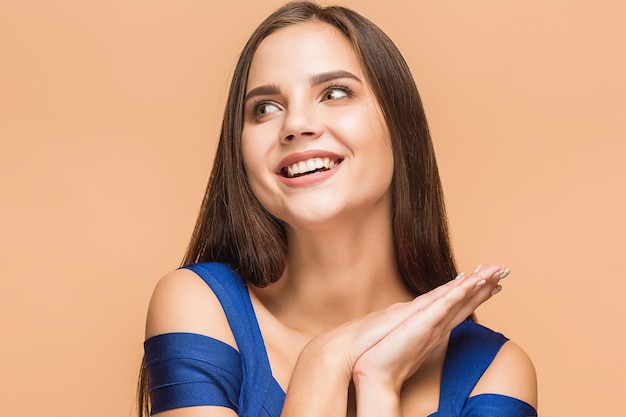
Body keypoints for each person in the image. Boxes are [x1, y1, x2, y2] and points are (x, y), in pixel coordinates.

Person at [137, 2, 538, 416]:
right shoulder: (202, 305)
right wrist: (324, 362)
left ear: (400, 126)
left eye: (334, 93)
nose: (295, 124)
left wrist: (378, 384)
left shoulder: (493, 371)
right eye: (265, 108)